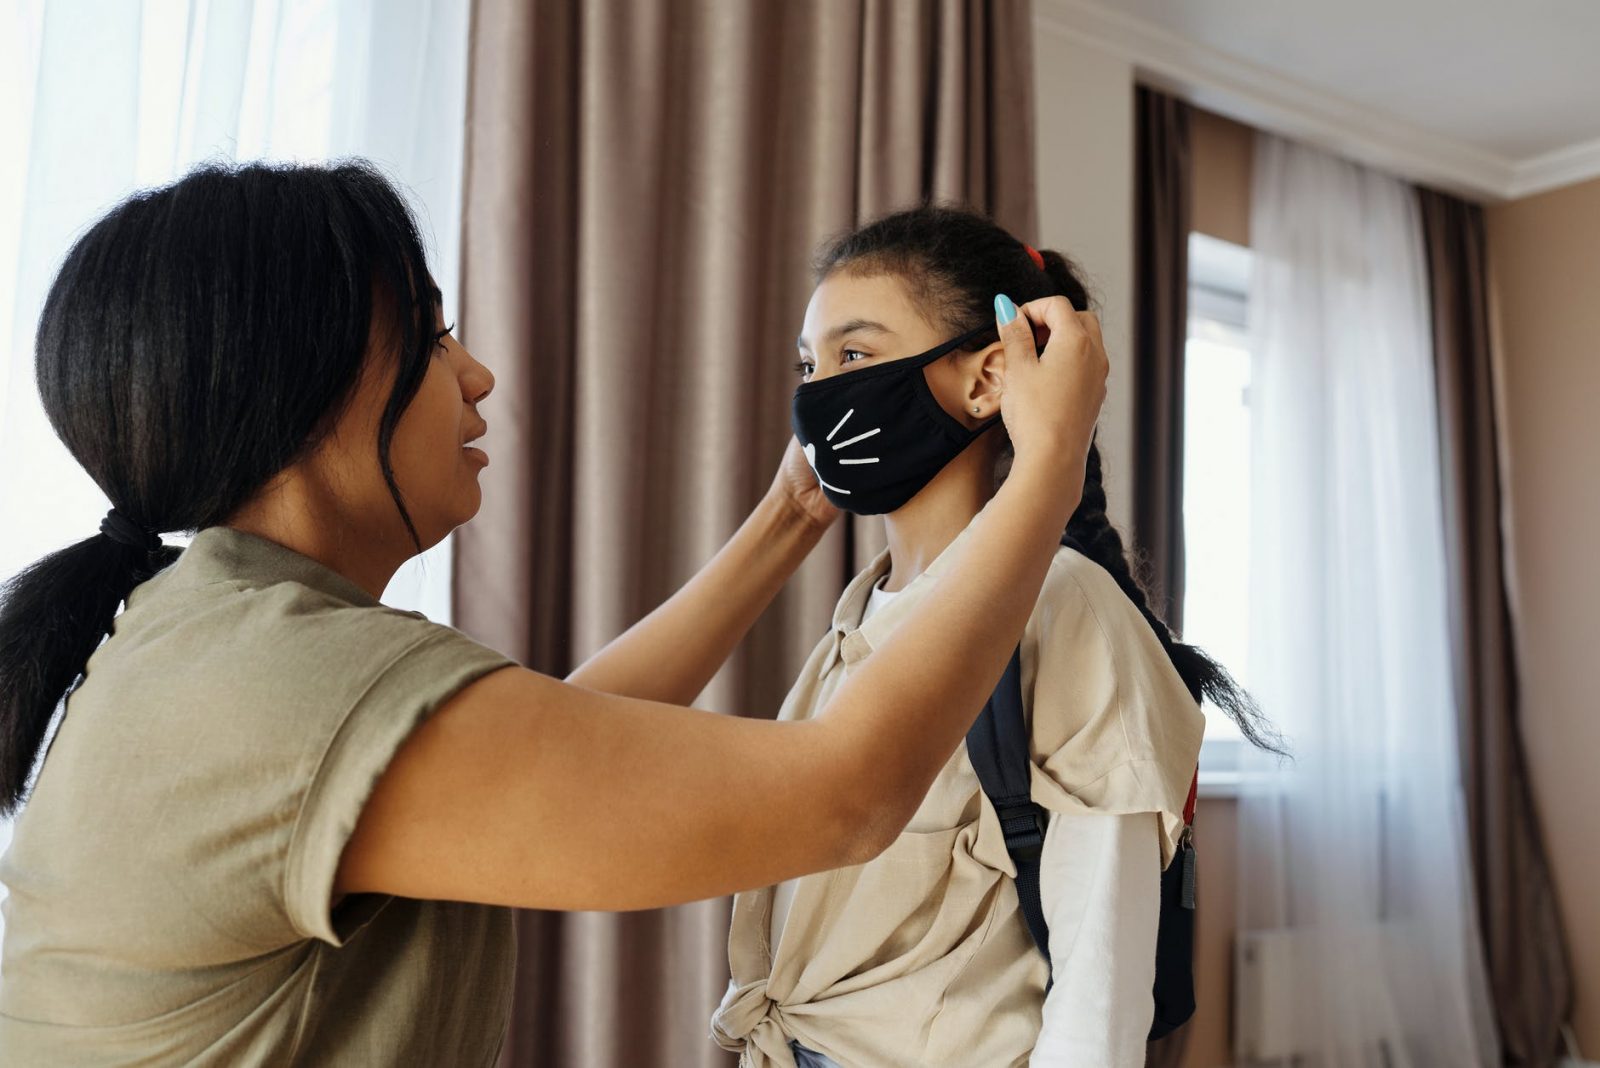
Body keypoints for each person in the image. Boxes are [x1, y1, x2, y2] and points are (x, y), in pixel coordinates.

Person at [0, 163, 1106, 1064]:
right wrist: (1048, 466)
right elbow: (847, 796)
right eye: (432, 339)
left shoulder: (211, 638)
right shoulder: (279, 688)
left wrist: (787, 516)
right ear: (301, 385)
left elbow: (561, 737)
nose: (477, 376)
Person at [711, 207, 1284, 1068]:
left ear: (986, 380)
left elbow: (1097, 1001)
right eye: (809, 364)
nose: (818, 394)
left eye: (853, 356)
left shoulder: (1067, 609)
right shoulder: (858, 618)